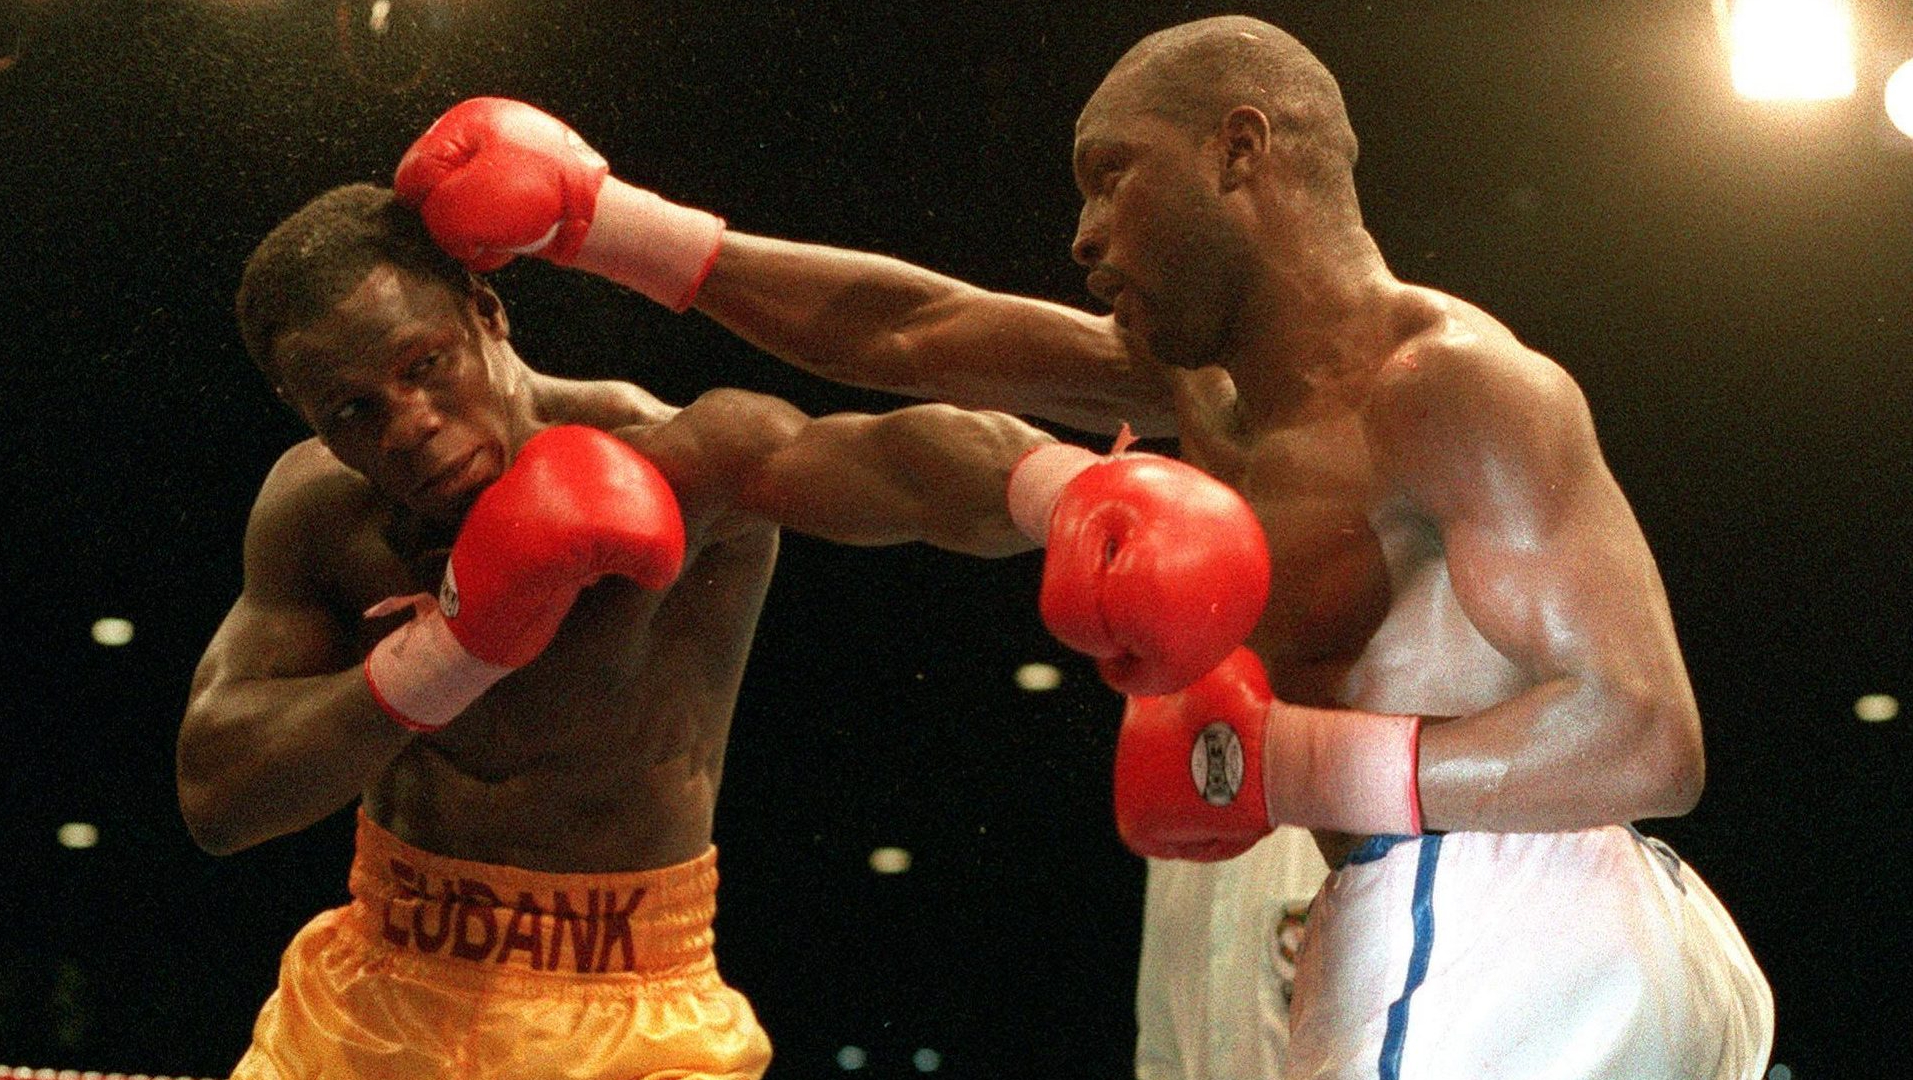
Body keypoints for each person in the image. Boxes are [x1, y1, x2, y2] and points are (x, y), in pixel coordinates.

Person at [387, 13, 1777, 1079]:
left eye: (1113, 180)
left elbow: (1648, 738)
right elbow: (906, 330)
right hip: (1403, 896)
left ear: (1242, 150)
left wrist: (1271, 761)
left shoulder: (1454, 386)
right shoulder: (1206, 387)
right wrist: (601, 221)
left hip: (1511, 903)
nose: (1085, 233)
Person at [176, 181, 1270, 1079]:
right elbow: (217, 797)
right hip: (372, 992)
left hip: (626, 1013)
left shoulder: (680, 461)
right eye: (354, 412)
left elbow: (892, 460)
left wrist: (1065, 492)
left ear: (487, 313)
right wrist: (456, 649)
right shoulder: (318, 509)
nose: (409, 426)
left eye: (426, 366)